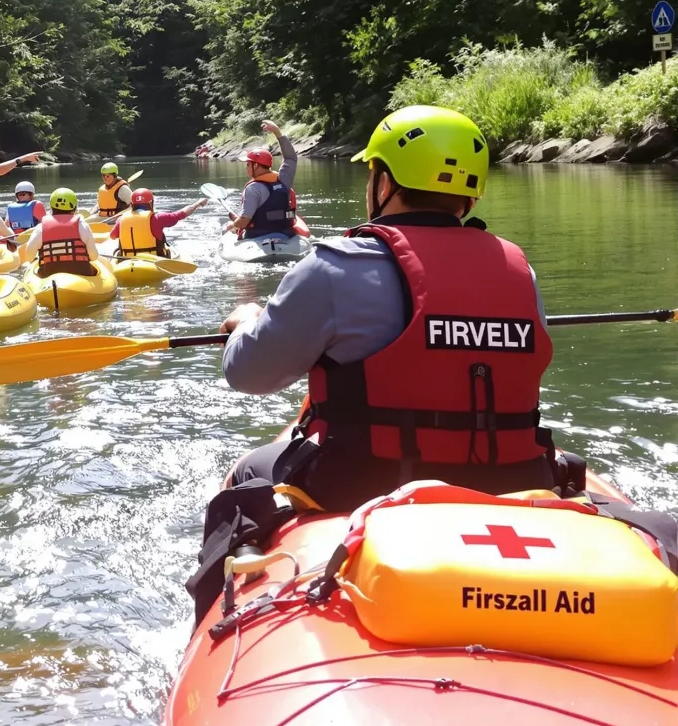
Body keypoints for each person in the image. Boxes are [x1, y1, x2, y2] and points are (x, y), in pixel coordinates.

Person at [217, 105, 566, 512]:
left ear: (384, 184)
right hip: (514, 481)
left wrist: (245, 324)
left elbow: (249, 375)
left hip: (366, 483)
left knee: (246, 471)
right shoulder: (520, 270)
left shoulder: (334, 266)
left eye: (372, 174)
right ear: (471, 194)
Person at [226, 120, 298, 240]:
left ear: (256, 166)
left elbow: (244, 222)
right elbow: (291, 157)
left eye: (248, 164)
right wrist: (277, 132)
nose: (246, 167)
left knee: (228, 228)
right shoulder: (284, 180)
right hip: (286, 234)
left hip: (257, 236)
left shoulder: (252, 189)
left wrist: (233, 225)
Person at [21, 187, 99, 277]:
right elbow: (94, 256)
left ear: (51, 207)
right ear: (74, 206)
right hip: (81, 273)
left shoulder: (41, 227)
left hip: (49, 274)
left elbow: (28, 256)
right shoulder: (82, 225)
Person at [109, 189, 207, 258]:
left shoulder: (121, 220)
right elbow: (181, 214)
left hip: (128, 260)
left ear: (132, 205)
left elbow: (113, 236)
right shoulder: (158, 218)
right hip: (155, 259)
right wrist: (197, 204)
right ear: (151, 203)